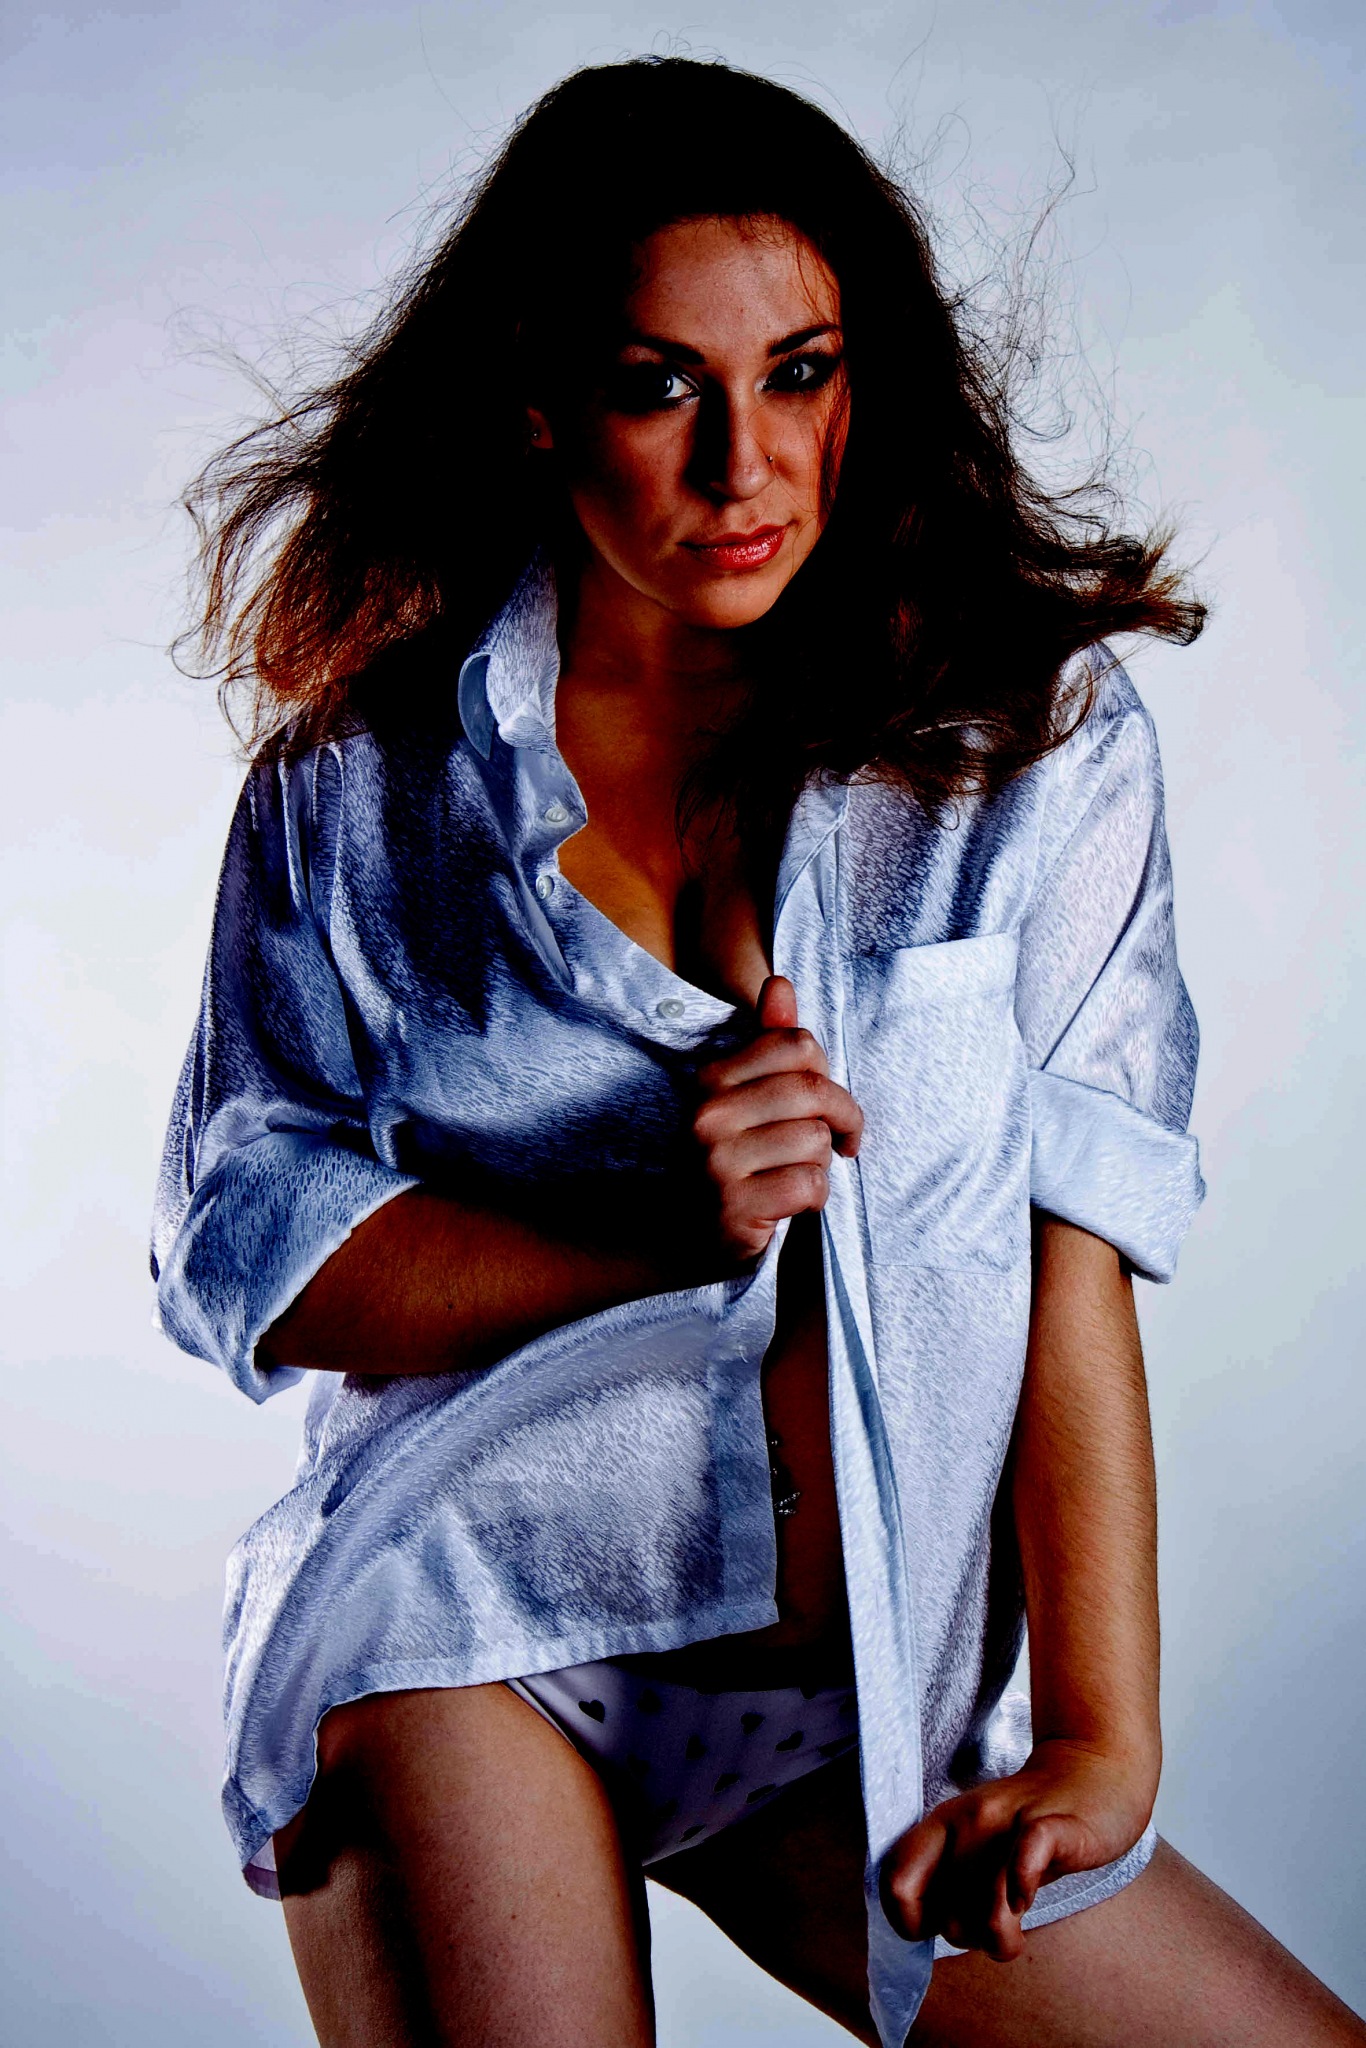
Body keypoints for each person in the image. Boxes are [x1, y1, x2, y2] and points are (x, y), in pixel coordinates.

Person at [151, 54, 1365, 2048]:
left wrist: (1099, 1735)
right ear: (538, 400)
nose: (745, 466)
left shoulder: (1024, 751)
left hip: (869, 1686)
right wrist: (655, 1227)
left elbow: (1070, 1236)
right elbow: (254, 1260)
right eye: (661, 389)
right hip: (462, 1622)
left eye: (797, 375)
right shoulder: (358, 788)